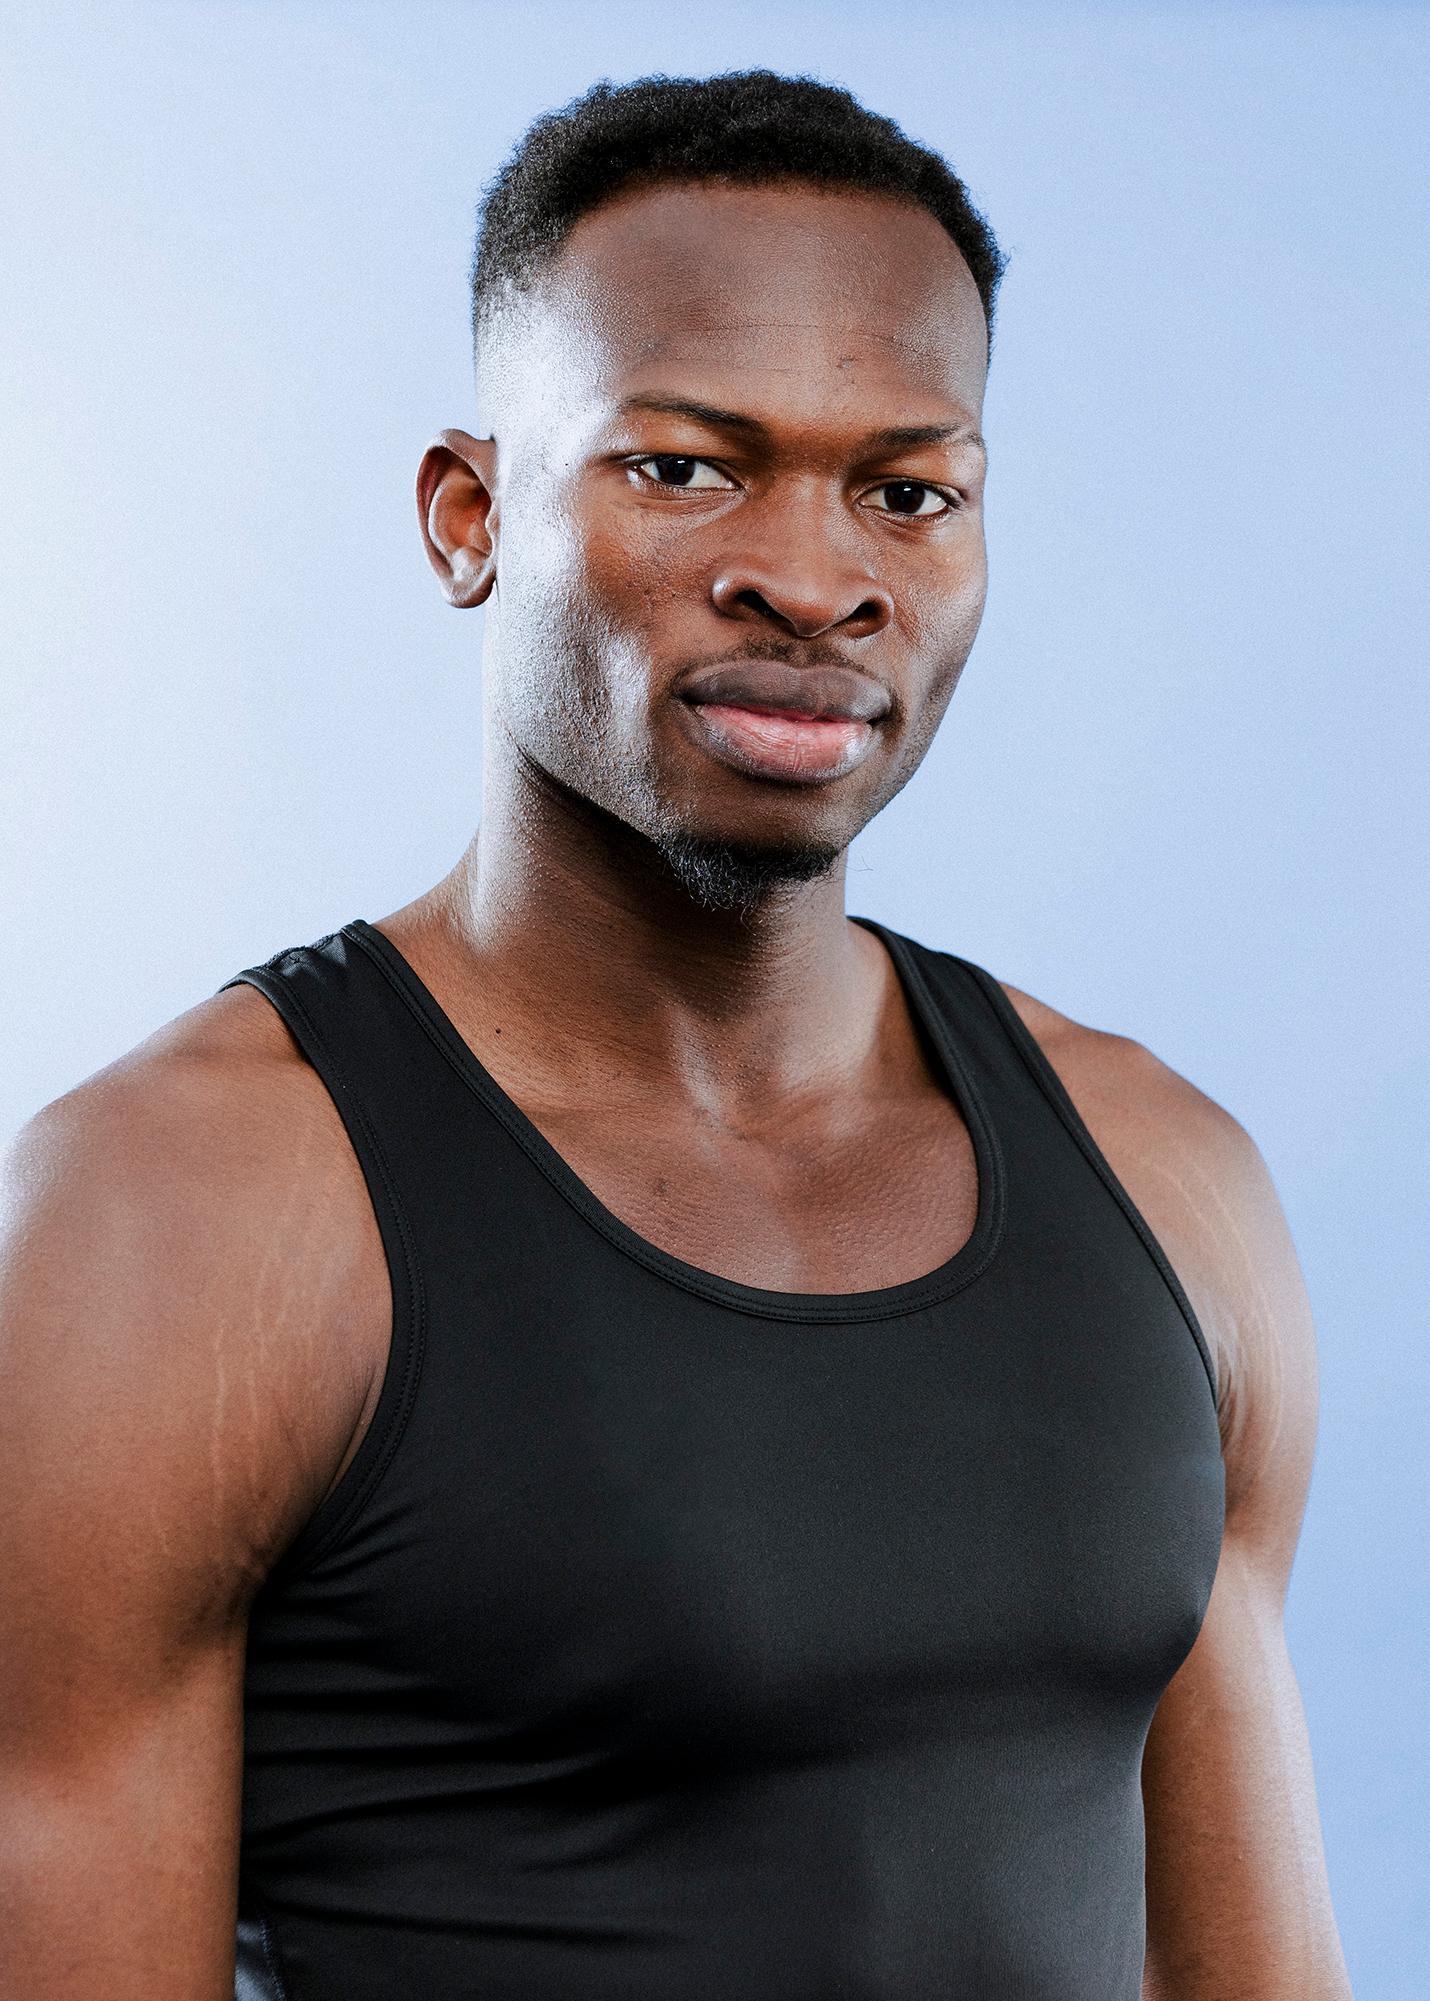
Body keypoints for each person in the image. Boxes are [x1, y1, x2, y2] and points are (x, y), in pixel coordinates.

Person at [0, 71, 1351, 2001]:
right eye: (685, 468)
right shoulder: (180, 1205)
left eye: (906, 492)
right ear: (470, 515)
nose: (813, 580)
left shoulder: (1166, 1176)